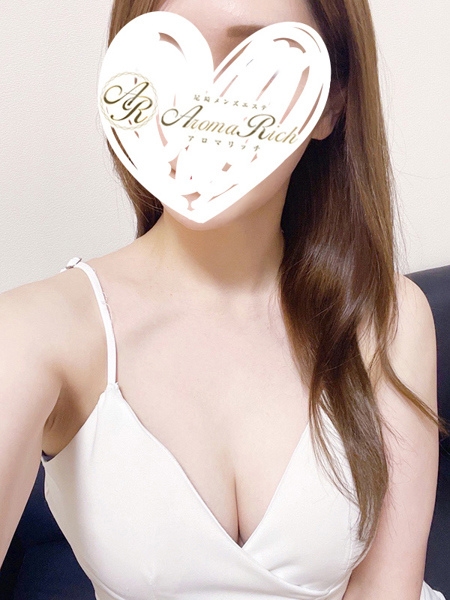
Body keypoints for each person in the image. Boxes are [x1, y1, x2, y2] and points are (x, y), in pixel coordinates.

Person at [0, 0, 447, 598]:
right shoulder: (37, 333)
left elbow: (386, 589)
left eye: (254, 62)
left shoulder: (389, 320)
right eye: (170, 59)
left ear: (330, 106)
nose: (202, 104)